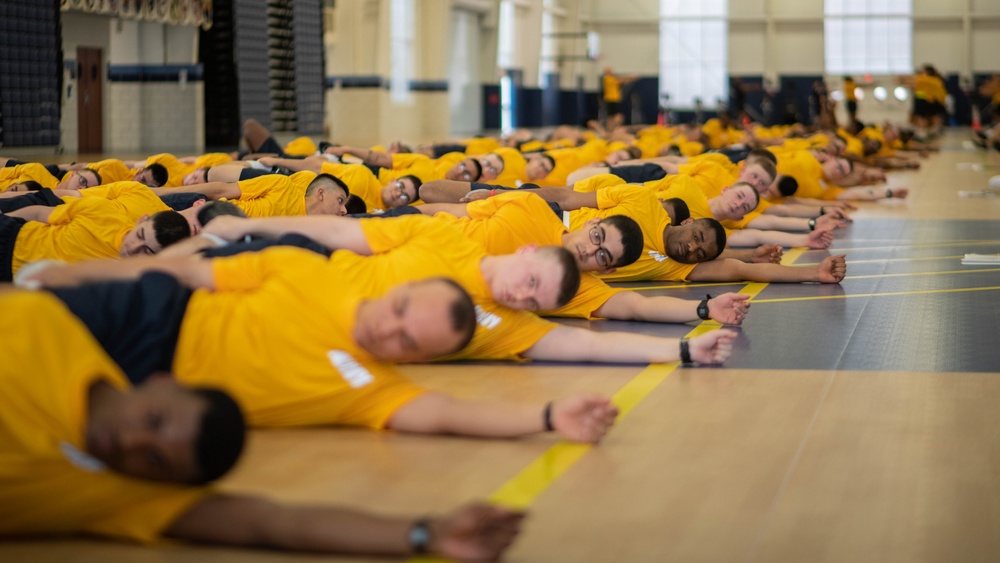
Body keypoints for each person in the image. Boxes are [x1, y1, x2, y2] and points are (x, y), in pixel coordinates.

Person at [0, 289, 523, 560]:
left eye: (155, 459)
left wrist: (425, 532)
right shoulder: (40, 326)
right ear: (161, 382)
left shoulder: (122, 491)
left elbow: (273, 522)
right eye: (154, 419)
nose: (132, 443)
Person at [418, 190, 752, 325]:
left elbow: (639, 306)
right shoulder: (531, 208)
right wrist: (388, 220)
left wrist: (704, 308)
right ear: (592, 223)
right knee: (428, 190)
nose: (590, 250)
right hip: (406, 237)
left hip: (421, 288)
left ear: (608, 268)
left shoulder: (579, 287)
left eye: (602, 255)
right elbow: (447, 210)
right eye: (597, 238)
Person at [0, 196, 191, 281]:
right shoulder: (101, 210)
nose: (134, 248)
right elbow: (39, 213)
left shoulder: (129, 279)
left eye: (147, 250)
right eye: (139, 235)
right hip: (11, 235)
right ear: (142, 219)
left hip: (17, 283)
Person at [149, 171, 351, 218]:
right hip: (203, 210)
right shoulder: (282, 186)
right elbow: (222, 190)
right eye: (340, 201)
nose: (344, 210)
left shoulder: (310, 232)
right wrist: (165, 191)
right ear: (321, 194)